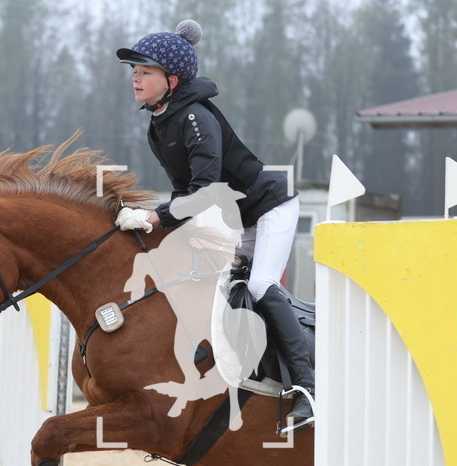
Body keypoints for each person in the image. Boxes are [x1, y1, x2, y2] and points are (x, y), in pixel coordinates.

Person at [113, 19, 314, 432]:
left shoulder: (195, 119)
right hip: (237, 219)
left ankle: (307, 391)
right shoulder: (160, 123)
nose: (135, 78)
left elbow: (202, 194)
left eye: (144, 71)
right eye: (134, 71)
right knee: (209, 285)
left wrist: (152, 216)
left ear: (171, 80)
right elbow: (187, 194)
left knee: (259, 288)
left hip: (269, 209)